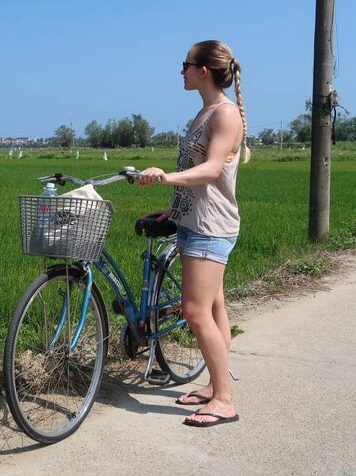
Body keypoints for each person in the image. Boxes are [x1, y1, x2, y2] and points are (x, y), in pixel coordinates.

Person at [138, 39, 250, 427]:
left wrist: (164, 176)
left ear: (203, 71)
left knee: (195, 310)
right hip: (192, 221)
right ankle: (213, 386)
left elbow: (212, 170)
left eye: (185, 65)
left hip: (210, 227)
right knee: (215, 309)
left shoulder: (225, 115)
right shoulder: (205, 112)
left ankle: (224, 399)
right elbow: (197, 173)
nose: (181, 72)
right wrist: (172, 207)